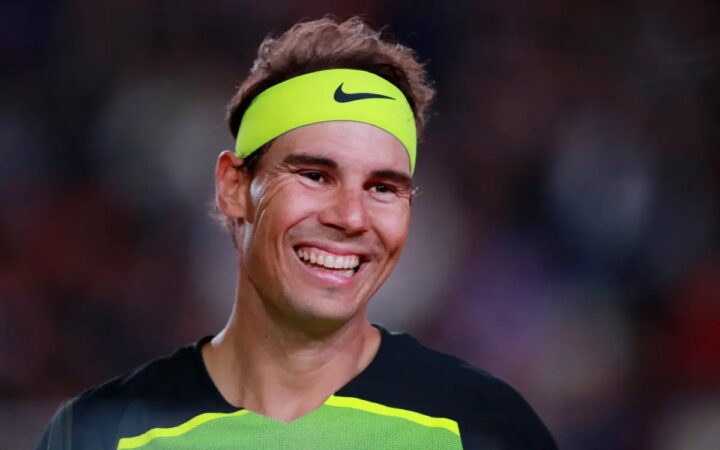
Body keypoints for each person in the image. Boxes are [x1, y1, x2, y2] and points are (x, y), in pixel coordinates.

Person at [37, 16, 557, 450]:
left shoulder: (483, 428)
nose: (350, 217)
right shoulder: (101, 434)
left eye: (382, 187)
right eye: (314, 175)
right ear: (234, 187)